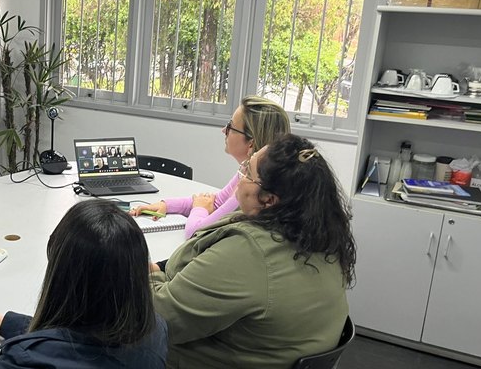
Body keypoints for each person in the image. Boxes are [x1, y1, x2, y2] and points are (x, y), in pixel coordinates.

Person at [150, 133, 356, 368]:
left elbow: (158, 320)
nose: (241, 177)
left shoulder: (249, 252)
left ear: (268, 199)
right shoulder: (322, 240)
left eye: (248, 171)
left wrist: (145, 270)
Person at [0, 199, 167, 369]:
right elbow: (76, 335)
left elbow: (61, 347)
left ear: (63, 276)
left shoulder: (30, 360)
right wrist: (5, 322)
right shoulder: (154, 329)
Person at [130, 95, 289, 239]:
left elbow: (197, 233)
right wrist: (167, 205)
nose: (223, 130)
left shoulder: (250, 192)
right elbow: (216, 202)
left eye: (230, 127)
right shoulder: (247, 172)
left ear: (251, 143)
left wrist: (199, 208)